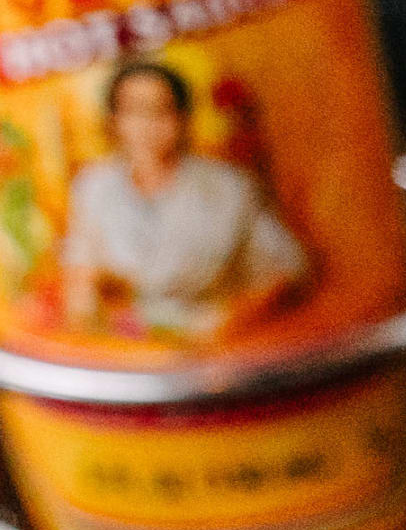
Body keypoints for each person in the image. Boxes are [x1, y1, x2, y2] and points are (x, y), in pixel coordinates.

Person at [57, 61, 310, 340]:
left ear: (181, 117)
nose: (147, 125)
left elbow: (286, 269)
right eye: (133, 112)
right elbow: (80, 268)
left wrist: (231, 324)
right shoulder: (94, 186)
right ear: (115, 121)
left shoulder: (228, 186)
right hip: (128, 348)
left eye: (160, 111)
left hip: (214, 346)